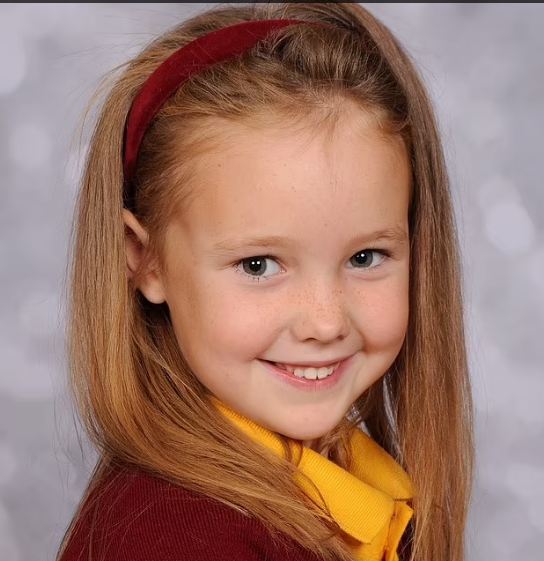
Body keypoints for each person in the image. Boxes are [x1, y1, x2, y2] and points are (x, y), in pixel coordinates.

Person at [56, 3, 475, 561]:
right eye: (258, 265)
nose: (325, 321)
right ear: (146, 260)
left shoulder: (341, 480)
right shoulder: (176, 542)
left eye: (366, 257)